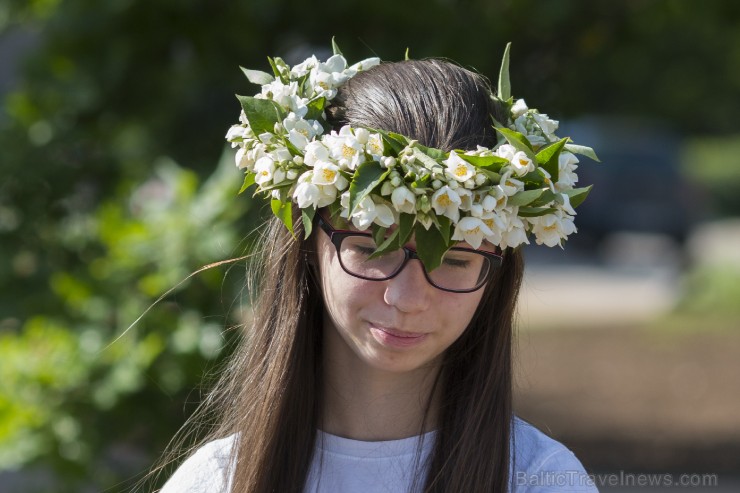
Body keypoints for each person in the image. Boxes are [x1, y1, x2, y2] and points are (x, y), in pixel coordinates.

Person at [158, 42, 599, 492]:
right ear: (308, 244)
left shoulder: (539, 480)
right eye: (372, 247)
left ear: (498, 270)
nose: (406, 299)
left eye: (455, 259)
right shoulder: (215, 480)